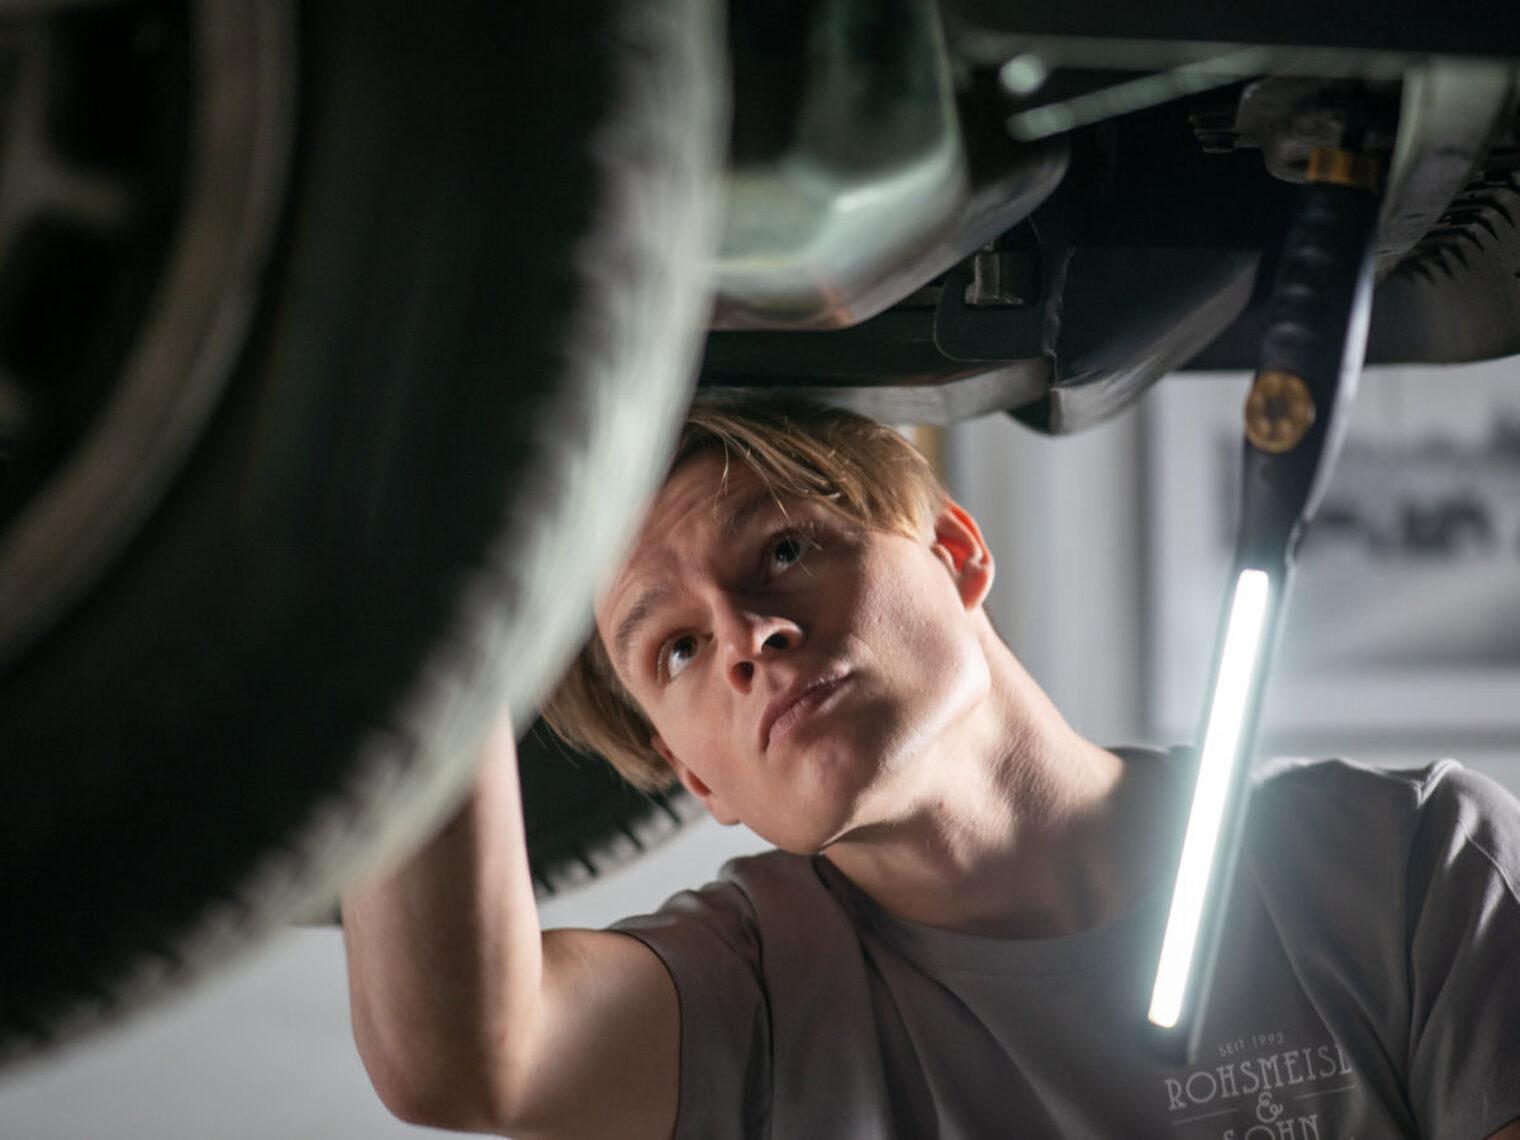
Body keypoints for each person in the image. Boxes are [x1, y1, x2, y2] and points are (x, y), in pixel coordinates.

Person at [342, 398, 1520, 1140]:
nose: (749, 637)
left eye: (785, 548)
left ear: (951, 551)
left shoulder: (1412, 864)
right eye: (679, 648)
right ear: (692, 777)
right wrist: (423, 547)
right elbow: (465, 1062)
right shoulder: (755, 1000)